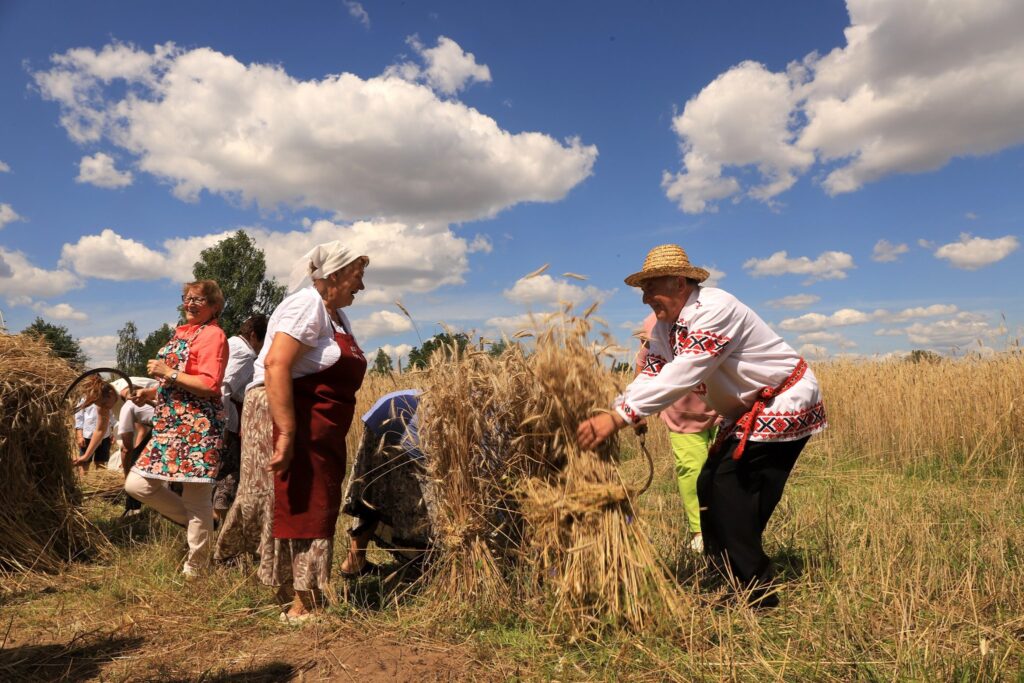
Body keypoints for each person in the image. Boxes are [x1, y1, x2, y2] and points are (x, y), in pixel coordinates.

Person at [578, 244, 827, 607]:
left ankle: (756, 592)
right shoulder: (666, 328)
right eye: (642, 290)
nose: (645, 298)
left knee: (730, 488)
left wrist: (620, 417)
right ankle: (727, 572)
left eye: (651, 287)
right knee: (709, 485)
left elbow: (685, 372)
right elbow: (653, 373)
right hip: (747, 412)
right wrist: (622, 407)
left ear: (679, 282)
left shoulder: (715, 308)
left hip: (782, 402)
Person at [254, 241, 369, 623]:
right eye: (357, 276)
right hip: (297, 421)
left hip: (318, 427)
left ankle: (304, 594)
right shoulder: (307, 305)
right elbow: (275, 363)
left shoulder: (334, 315)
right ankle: (304, 604)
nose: (362, 286)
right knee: (303, 503)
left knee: (312, 502)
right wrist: (287, 432)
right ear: (333, 275)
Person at [124, 280, 229, 577]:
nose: (191, 304)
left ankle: (197, 569)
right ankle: (204, 526)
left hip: (198, 426)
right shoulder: (182, 333)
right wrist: (152, 393)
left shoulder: (213, 335)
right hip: (170, 425)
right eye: (187, 298)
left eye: (199, 300)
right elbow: (181, 386)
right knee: (137, 485)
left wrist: (166, 371)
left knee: (197, 497)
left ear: (214, 307)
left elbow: (209, 385)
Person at [636, 312, 719, 553]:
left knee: (724, 470)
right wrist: (638, 410)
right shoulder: (652, 322)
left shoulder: (710, 313)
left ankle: (727, 526)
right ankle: (699, 531)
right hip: (682, 412)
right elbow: (643, 364)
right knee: (691, 471)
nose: (648, 298)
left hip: (724, 407)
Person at [340, 390, 436, 577]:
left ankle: (353, 561)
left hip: (387, 406)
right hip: (412, 420)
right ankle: (426, 564)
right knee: (421, 498)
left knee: (371, 489)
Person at [214, 314, 268, 523]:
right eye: (263, 342)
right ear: (254, 336)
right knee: (228, 477)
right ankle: (218, 528)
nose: (263, 348)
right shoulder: (245, 353)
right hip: (227, 422)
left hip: (223, 418)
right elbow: (224, 388)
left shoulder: (231, 344)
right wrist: (224, 428)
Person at [115, 378, 158, 514]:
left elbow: (127, 449)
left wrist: (127, 477)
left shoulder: (127, 407)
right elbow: (141, 431)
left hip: (165, 426)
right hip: (173, 423)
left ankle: (133, 509)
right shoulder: (143, 403)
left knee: (135, 467)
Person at [72, 376, 117, 474]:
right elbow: (79, 418)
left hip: (105, 437)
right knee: (85, 462)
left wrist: (113, 433)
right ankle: (84, 479)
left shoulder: (108, 397)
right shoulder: (85, 400)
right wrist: (79, 435)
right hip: (88, 435)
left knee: (101, 461)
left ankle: (99, 480)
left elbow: (112, 419)